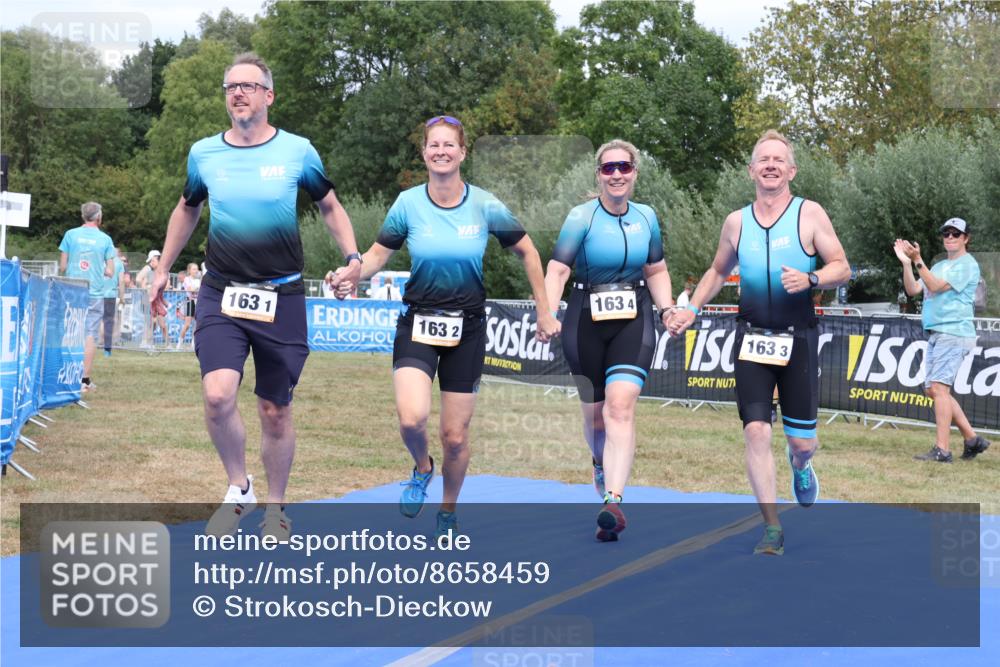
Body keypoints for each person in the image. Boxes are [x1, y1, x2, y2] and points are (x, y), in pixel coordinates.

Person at [148, 52, 362, 541]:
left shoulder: (298, 151)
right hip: (222, 292)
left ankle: (275, 508)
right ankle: (239, 486)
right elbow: (187, 210)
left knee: (274, 408)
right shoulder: (204, 154)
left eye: (247, 85)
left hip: (281, 297)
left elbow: (329, 206)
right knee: (218, 394)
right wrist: (162, 267)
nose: (237, 93)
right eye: (230, 87)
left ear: (269, 95)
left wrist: (352, 258)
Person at [332, 115, 559, 539]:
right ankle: (422, 468)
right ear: (424, 153)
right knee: (411, 419)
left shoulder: (486, 204)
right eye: (433, 145)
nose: (441, 151)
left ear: (462, 152)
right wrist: (352, 273)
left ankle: (449, 509)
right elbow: (379, 254)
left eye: (448, 145)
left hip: (467, 330)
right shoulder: (408, 204)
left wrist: (544, 310)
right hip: (418, 322)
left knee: (455, 436)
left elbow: (529, 253)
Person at [666, 129, 851, 556]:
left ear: (791, 170)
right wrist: (691, 309)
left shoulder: (809, 214)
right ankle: (771, 526)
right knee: (755, 432)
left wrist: (812, 278)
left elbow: (842, 265)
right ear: (751, 170)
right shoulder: (737, 221)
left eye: (778, 159)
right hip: (750, 340)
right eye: (762, 159)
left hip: (797, 339)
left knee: (802, 442)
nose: (770, 165)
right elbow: (716, 271)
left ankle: (801, 466)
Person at [542, 139, 674, 542]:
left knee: (620, 408)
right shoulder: (581, 217)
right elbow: (558, 270)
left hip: (633, 320)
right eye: (608, 168)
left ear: (635, 172)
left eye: (624, 167)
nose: (617, 174)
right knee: (595, 416)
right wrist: (547, 312)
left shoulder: (647, 217)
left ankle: (613, 502)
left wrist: (667, 309)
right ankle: (599, 463)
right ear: (598, 175)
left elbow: (655, 269)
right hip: (584, 319)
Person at [895, 218, 990, 462]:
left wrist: (917, 260)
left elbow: (935, 286)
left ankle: (942, 450)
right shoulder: (937, 265)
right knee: (934, 391)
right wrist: (907, 264)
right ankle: (972, 439)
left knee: (938, 389)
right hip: (938, 331)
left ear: (966, 238)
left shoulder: (967, 265)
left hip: (954, 331)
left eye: (955, 234)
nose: (949, 237)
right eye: (946, 234)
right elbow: (914, 290)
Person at [58, 202, 115, 392]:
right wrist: (101, 269)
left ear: (83, 216)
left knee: (70, 330)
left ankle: (64, 375)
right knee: (90, 333)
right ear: (99, 217)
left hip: (71, 289)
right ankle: (83, 380)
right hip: (94, 291)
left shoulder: (70, 235)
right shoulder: (105, 239)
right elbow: (110, 271)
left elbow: (63, 266)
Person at [136, 250, 168, 347]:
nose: (152, 262)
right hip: (147, 297)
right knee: (149, 321)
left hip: (151, 298)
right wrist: (147, 289)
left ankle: (146, 342)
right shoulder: (148, 268)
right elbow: (138, 279)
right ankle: (146, 342)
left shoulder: (154, 270)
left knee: (150, 322)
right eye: (156, 260)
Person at [100, 246, 126, 357]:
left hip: (97, 294)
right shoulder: (119, 263)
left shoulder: (101, 260)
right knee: (109, 321)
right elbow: (122, 281)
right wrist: (122, 297)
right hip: (110, 295)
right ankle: (107, 349)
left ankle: (96, 342)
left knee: (98, 320)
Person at [177, 263, 201, 348]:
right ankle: (179, 343)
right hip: (190, 302)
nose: (196, 271)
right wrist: (196, 288)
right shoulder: (187, 279)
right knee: (187, 324)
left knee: (197, 324)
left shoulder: (198, 280)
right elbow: (191, 290)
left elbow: (199, 290)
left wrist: (196, 288)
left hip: (198, 302)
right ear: (189, 270)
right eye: (194, 269)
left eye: (197, 269)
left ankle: (193, 343)